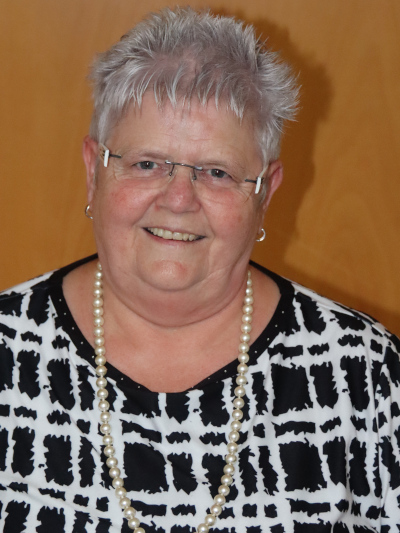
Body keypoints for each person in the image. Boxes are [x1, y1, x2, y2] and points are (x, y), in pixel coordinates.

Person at [0, 6, 399, 533]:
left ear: (266, 193)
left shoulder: (363, 373)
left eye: (216, 172)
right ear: (94, 171)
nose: (178, 199)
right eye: (147, 163)